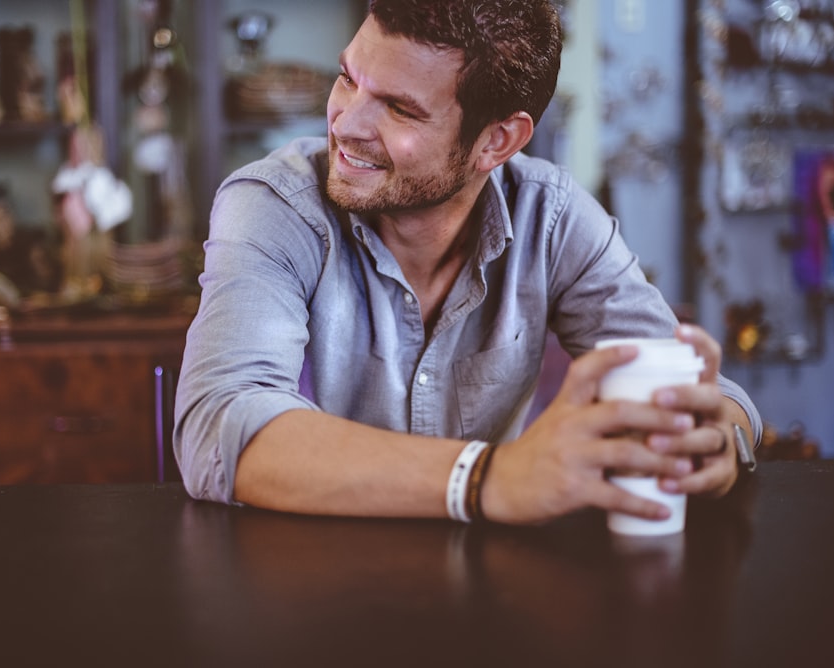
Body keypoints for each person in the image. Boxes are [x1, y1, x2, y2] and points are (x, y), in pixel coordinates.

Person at [174, 0, 762, 525]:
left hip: (490, 600)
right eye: (347, 78)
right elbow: (220, 429)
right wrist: (488, 478)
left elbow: (711, 397)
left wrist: (715, 435)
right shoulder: (274, 204)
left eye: (399, 109)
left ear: (497, 142)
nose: (345, 124)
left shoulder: (552, 217)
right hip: (306, 593)